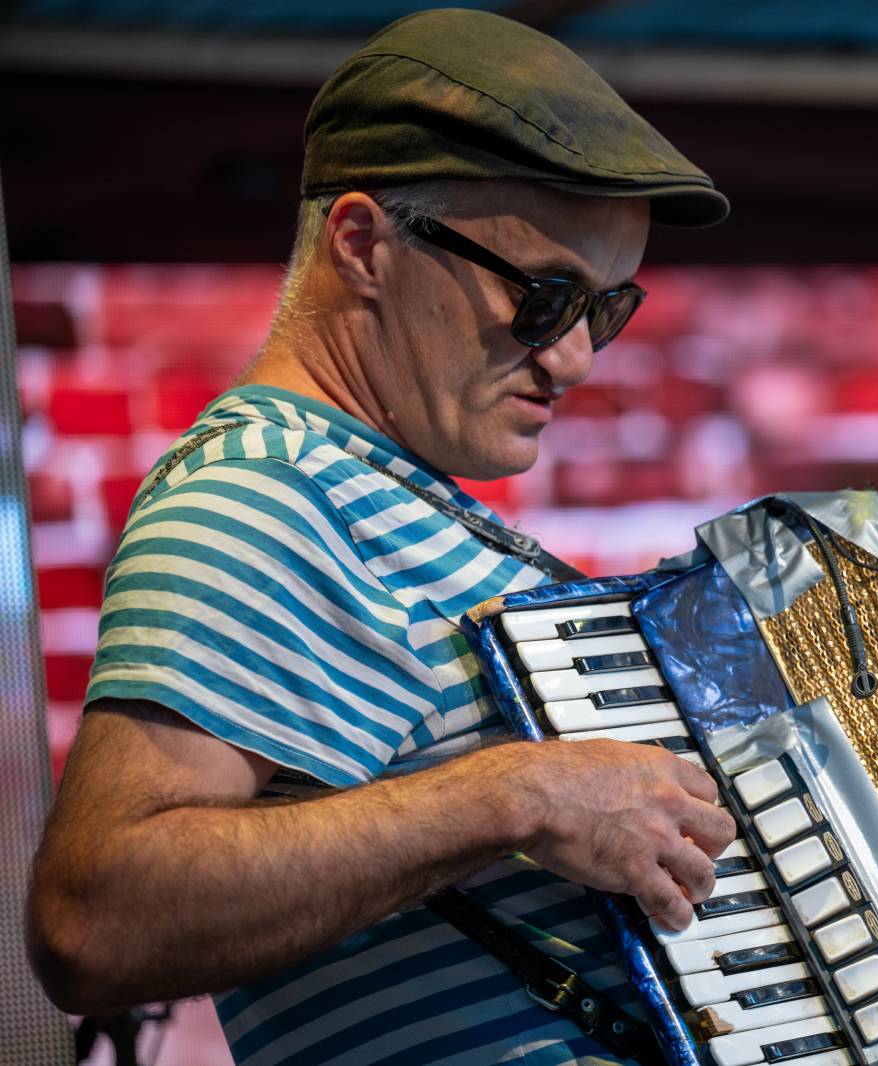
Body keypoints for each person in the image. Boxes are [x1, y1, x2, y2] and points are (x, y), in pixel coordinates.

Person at [25, 10, 738, 1064]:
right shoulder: (266, 486)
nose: (579, 357)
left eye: (607, 306)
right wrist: (517, 791)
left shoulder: (369, 495)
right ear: (363, 244)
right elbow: (96, 917)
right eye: (544, 297)